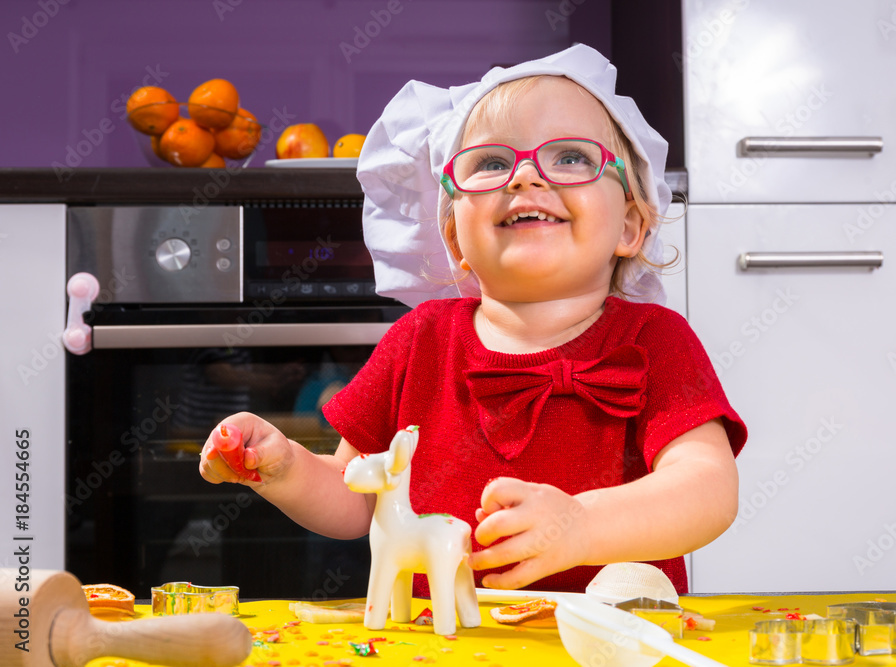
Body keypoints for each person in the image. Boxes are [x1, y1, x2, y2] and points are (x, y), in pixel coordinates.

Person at [200, 44, 747, 596]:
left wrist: (582, 526)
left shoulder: (656, 339)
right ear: (455, 238)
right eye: (490, 163)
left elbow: (707, 491)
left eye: (571, 157)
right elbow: (357, 500)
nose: (527, 177)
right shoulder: (419, 341)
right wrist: (286, 467)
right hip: (442, 647)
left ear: (631, 224)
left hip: (611, 646)